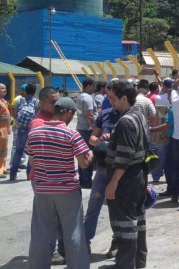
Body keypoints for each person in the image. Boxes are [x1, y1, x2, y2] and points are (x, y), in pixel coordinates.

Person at [27, 97, 93, 269]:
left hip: (42, 189)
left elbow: (32, 161)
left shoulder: (34, 133)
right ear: (69, 113)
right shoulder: (71, 134)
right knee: (73, 231)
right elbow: (83, 163)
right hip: (67, 190)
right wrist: (90, 155)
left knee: (41, 232)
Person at [104, 81, 149, 269]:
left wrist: (113, 183)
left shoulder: (125, 121)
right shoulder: (139, 116)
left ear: (124, 98)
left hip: (125, 178)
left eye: (113, 98)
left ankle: (125, 264)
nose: (110, 101)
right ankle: (138, 262)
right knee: (137, 221)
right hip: (138, 175)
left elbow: (124, 156)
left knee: (124, 226)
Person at [84, 83, 120, 258]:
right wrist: (99, 140)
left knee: (118, 207)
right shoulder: (105, 115)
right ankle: (85, 241)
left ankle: (117, 241)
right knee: (94, 205)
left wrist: (114, 138)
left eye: (112, 97)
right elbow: (91, 138)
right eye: (109, 97)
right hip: (103, 167)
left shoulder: (129, 116)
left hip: (121, 169)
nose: (110, 101)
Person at [75, 78, 96, 188]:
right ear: (88, 86)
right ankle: (87, 179)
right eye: (93, 85)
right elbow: (90, 115)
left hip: (81, 127)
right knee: (88, 154)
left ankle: (82, 178)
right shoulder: (87, 98)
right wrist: (95, 128)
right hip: (87, 129)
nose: (94, 88)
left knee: (81, 153)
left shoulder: (80, 96)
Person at [0, 84, 10, 177]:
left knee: (4, 150)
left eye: (5, 88)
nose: (5, 90)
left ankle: (3, 168)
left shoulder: (4, 101)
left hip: (5, 130)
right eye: (2, 88)